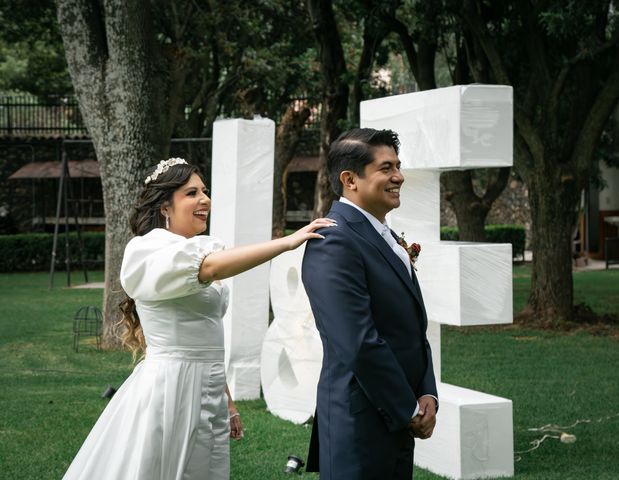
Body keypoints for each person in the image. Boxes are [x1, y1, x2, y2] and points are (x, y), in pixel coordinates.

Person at [63, 157, 335, 480]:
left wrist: (228, 402)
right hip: (172, 390)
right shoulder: (148, 250)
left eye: (204, 191)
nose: (205, 200)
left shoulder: (195, 250)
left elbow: (208, 339)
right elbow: (210, 268)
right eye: (191, 193)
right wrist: (287, 242)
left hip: (209, 387)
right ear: (165, 206)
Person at [301, 129, 438, 479]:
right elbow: (358, 342)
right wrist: (408, 409)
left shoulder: (385, 235)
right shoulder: (333, 241)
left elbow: (410, 330)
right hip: (359, 420)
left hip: (397, 415)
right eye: (386, 168)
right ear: (350, 180)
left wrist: (427, 392)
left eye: (399, 165)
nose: (399, 176)